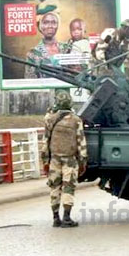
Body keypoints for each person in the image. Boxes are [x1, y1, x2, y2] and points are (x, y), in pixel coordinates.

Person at [42, 91, 87, 228]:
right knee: (68, 188)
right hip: (70, 159)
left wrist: (45, 161)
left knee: (54, 187)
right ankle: (67, 218)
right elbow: (81, 142)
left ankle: (56, 218)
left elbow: (45, 142)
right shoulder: (76, 120)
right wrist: (83, 161)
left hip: (55, 159)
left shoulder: (50, 118)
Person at [25, 1, 71, 78]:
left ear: (58, 25)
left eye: (54, 22)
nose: (50, 26)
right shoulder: (33, 53)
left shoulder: (67, 48)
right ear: (40, 25)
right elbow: (30, 82)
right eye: (45, 22)